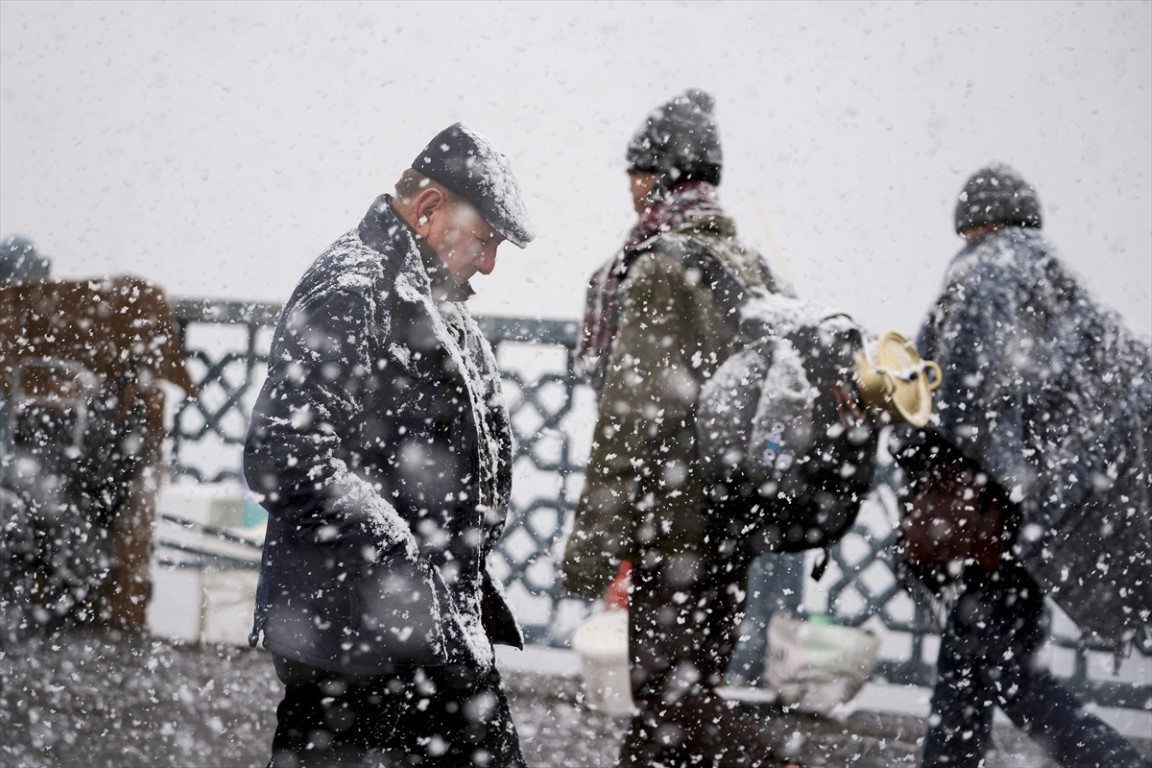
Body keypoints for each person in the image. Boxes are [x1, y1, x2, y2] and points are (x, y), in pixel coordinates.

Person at [244, 123, 534, 768]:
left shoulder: (425, 291)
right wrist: (407, 567)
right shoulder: (354, 288)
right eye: (486, 239)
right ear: (428, 208)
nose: (490, 263)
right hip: (361, 645)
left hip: (417, 636)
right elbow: (284, 454)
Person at [562, 88, 797, 768]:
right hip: (734, 523)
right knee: (669, 722)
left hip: (675, 526)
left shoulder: (660, 267)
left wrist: (591, 544)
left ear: (660, 177)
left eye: (636, 172)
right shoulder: (751, 266)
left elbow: (629, 419)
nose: (630, 188)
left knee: (670, 701)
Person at [912, 164, 1151, 768]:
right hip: (1050, 507)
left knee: (1012, 675)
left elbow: (951, 395)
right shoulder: (1061, 281)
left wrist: (917, 447)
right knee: (970, 664)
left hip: (994, 509)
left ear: (972, 223)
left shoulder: (982, 272)